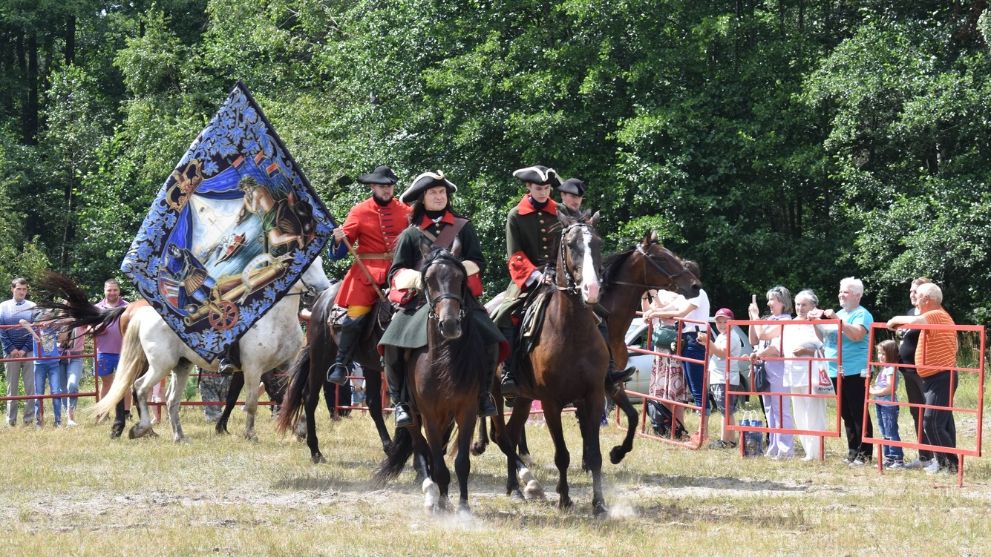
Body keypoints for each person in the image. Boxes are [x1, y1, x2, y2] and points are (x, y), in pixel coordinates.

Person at [378, 171, 502, 426]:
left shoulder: (463, 226)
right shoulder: (411, 234)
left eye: (442, 192)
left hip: (459, 298)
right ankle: (401, 402)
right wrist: (422, 278)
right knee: (391, 341)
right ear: (422, 198)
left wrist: (454, 272)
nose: (438, 196)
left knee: (492, 337)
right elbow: (396, 271)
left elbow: (478, 261)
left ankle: (483, 395)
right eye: (433, 193)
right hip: (422, 300)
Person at [326, 165, 411, 385]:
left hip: (398, 270)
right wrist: (337, 239)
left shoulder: (406, 211)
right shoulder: (359, 210)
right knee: (355, 318)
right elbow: (341, 251)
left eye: (390, 186)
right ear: (373, 186)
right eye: (383, 186)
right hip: (366, 272)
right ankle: (341, 363)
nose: (387, 190)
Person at [886, 282, 958, 474]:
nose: (915, 299)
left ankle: (950, 465)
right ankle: (945, 464)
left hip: (942, 377)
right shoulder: (934, 316)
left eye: (917, 296)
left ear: (927, 299)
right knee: (934, 421)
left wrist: (893, 320)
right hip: (933, 377)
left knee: (932, 421)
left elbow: (914, 322)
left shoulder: (937, 314)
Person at [809, 277, 875, 465]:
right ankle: (853, 452)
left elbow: (856, 335)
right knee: (846, 412)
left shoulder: (862, 315)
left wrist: (837, 320)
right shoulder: (839, 313)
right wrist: (815, 322)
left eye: (845, 291)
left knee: (858, 411)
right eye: (840, 291)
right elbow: (824, 337)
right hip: (835, 370)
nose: (841, 295)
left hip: (855, 369)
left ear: (857, 295)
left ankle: (865, 454)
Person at [651, 261, 710, 410]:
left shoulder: (698, 293)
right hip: (686, 337)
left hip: (696, 338)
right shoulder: (685, 295)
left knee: (697, 386)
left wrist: (654, 313)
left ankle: (703, 429)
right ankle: (701, 428)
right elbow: (669, 308)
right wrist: (651, 311)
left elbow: (680, 313)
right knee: (692, 385)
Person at [748, 285, 795, 458]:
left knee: (781, 409)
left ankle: (786, 449)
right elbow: (754, 338)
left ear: (782, 302)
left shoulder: (786, 321)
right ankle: (774, 446)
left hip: (779, 368)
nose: (769, 303)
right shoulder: (769, 320)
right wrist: (752, 319)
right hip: (765, 367)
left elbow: (764, 338)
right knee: (769, 409)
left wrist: (755, 316)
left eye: (772, 300)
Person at [782, 289, 828, 461]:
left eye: (804, 305)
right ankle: (808, 449)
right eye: (798, 304)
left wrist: (807, 351)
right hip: (793, 372)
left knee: (814, 411)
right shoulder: (790, 324)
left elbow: (825, 347)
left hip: (812, 372)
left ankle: (817, 450)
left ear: (813, 306)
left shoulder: (818, 323)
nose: (800, 308)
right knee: (799, 411)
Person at [895, 277, 933, 468]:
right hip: (908, 371)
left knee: (930, 414)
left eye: (915, 291)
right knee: (916, 413)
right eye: (910, 291)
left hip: (924, 373)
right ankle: (924, 456)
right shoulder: (910, 313)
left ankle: (938, 456)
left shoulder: (931, 314)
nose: (911, 294)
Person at [641, 289, 689, 437]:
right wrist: (644, 296)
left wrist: (655, 298)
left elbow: (670, 312)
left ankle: (679, 429)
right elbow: (647, 314)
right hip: (660, 349)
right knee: (661, 391)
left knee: (674, 391)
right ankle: (666, 427)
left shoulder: (679, 296)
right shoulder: (660, 293)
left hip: (672, 348)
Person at [696, 308, 745, 449]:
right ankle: (730, 440)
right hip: (721, 377)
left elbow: (722, 353)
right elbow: (714, 351)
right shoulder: (723, 335)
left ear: (733, 322)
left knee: (725, 411)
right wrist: (706, 343)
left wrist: (707, 341)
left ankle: (726, 441)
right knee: (726, 410)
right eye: (719, 322)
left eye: (725, 321)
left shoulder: (731, 336)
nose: (722, 324)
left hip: (725, 378)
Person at [94, 278, 130, 439]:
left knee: (126, 384)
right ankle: (103, 413)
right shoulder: (97, 308)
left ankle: (126, 413)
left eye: (115, 290)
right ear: (104, 291)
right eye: (109, 290)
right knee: (106, 383)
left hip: (125, 352)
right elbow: (89, 327)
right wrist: (96, 329)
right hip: (104, 351)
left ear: (119, 291)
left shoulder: (127, 307)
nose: (112, 293)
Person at [1, 278, 37, 427]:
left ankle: (29, 420)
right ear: (12, 289)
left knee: (31, 387)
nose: (22, 292)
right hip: (10, 353)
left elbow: (35, 329)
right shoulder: (2, 307)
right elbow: (1, 331)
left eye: (24, 289)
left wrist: (24, 349)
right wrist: (12, 349)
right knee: (12, 388)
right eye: (19, 289)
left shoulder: (33, 306)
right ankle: (11, 421)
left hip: (28, 352)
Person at [20, 314, 62, 427]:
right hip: (39, 365)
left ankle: (58, 421)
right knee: (38, 393)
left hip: (54, 364)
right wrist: (34, 334)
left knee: (56, 392)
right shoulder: (35, 328)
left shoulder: (53, 328)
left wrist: (52, 321)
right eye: (42, 319)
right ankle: (39, 422)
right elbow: (22, 321)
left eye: (46, 319)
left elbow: (69, 319)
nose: (44, 322)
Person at [870, 340, 904, 469]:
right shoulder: (884, 368)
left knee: (891, 431)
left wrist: (874, 391)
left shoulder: (891, 368)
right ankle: (888, 457)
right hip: (880, 403)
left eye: (883, 353)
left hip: (888, 405)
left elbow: (890, 388)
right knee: (883, 430)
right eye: (879, 353)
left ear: (891, 354)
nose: (880, 356)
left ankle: (897, 458)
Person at [58, 325, 86, 426]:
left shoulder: (81, 318)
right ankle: (66, 415)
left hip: (75, 357)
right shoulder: (58, 317)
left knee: (72, 385)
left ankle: (70, 416)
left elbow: (91, 325)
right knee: (62, 388)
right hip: (59, 356)